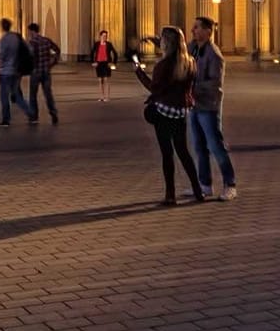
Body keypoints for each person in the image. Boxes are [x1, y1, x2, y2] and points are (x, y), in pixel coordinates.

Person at [134, 26, 204, 205]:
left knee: (167, 153)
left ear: (167, 43)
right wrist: (156, 41)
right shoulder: (189, 62)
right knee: (183, 152)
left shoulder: (162, 66)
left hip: (164, 111)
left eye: (162, 40)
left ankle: (170, 195)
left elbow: (153, 88)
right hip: (180, 111)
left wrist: (138, 70)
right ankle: (198, 191)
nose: (161, 42)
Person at [187, 17, 236, 201]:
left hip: (209, 106)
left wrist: (192, 87)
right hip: (194, 104)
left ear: (208, 31)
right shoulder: (193, 48)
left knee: (216, 146)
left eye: (197, 27)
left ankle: (230, 184)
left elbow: (215, 83)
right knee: (199, 147)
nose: (193, 30)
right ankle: (205, 185)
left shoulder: (214, 55)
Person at [0, 18, 35, 127]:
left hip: (5, 72)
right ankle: (31, 114)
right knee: (17, 96)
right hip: (16, 71)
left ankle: (6, 120)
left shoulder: (4, 40)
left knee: (4, 97)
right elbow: (29, 50)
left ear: (2, 27)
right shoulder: (17, 37)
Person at [26, 22, 61, 125]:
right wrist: (53, 62)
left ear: (32, 31)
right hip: (46, 71)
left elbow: (28, 58)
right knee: (48, 94)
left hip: (35, 72)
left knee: (33, 95)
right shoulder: (46, 40)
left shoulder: (31, 43)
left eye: (29, 32)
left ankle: (34, 116)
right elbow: (57, 50)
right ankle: (53, 113)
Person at [92, 30, 119, 102]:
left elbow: (115, 53)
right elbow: (92, 52)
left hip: (107, 63)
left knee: (106, 80)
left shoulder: (109, 44)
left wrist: (113, 63)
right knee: (100, 80)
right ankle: (101, 96)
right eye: (103, 36)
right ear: (100, 36)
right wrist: (93, 62)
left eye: (106, 36)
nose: (105, 37)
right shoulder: (97, 44)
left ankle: (107, 97)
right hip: (99, 63)